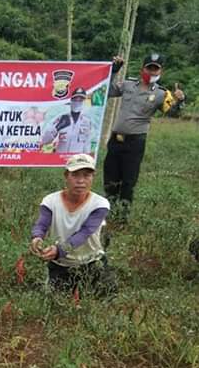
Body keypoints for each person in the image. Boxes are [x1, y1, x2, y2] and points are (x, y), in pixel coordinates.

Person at [103, 52, 185, 220]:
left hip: (135, 143)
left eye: (156, 69)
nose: (152, 72)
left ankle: (122, 218)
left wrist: (180, 101)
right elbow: (108, 91)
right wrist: (113, 71)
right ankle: (107, 215)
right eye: (150, 68)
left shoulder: (162, 94)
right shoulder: (128, 85)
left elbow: (172, 114)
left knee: (128, 182)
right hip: (116, 140)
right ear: (143, 69)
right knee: (110, 179)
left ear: (161, 72)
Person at [30, 153, 114, 294]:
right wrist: (37, 237)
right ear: (66, 176)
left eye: (86, 175)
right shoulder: (50, 201)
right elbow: (42, 225)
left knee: (100, 301)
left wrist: (59, 250)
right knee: (56, 303)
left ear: (93, 178)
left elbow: (85, 232)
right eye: (75, 175)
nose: (81, 181)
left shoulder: (100, 204)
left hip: (91, 262)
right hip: (60, 264)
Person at [41, 87, 91, 154]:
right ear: (71, 100)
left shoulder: (87, 121)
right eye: (75, 99)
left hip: (76, 160)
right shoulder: (61, 118)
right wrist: (57, 127)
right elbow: (45, 140)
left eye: (80, 100)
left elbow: (87, 144)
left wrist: (86, 160)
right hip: (60, 159)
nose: (77, 102)